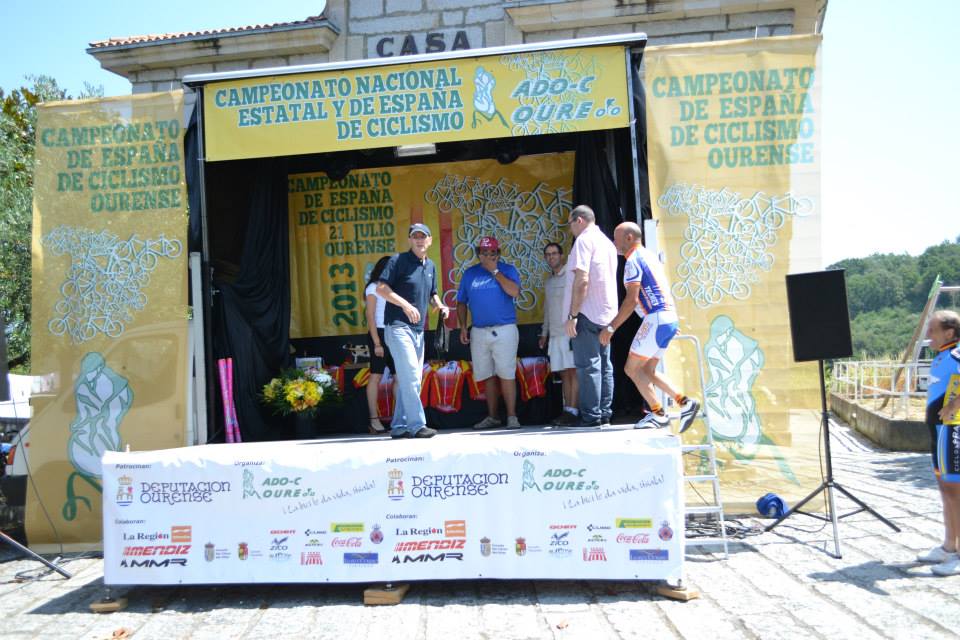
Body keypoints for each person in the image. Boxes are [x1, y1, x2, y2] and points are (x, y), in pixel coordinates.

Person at [601, 222, 700, 431]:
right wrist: (669, 320)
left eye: (616, 238)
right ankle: (685, 403)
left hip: (657, 319)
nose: (613, 242)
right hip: (667, 317)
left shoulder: (632, 261)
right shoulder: (649, 256)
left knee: (631, 369)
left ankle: (658, 414)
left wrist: (611, 328)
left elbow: (631, 301)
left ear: (629, 238)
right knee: (648, 370)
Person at [376, 223, 450, 439]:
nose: (419, 240)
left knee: (411, 379)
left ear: (430, 240)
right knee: (411, 378)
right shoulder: (397, 261)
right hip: (398, 327)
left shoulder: (431, 265)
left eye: (423, 236)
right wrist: (405, 305)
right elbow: (381, 288)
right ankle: (417, 425)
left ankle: (399, 426)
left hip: (418, 331)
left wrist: (440, 305)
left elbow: (433, 293)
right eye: (415, 236)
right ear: (409, 240)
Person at [457, 236, 523, 429]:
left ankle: (512, 417)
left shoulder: (507, 270)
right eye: (484, 252)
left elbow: (514, 292)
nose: (488, 256)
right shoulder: (470, 273)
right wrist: (463, 326)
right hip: (479, 330)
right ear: (478, 254)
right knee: (487, 375)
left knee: (506, 373)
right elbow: (461, 302)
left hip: (504, 329)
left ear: (498, 254)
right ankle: (493, 416)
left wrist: (495, 271)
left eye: (492, 252)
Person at [562, 205, 618, 428]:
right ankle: (604, 413)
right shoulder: (607, 243)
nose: (570, 230)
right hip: (607, 313)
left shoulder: (584, 241)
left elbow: (582, 280)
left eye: (570, 224)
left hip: (586, 312)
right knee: (604, 365)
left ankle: (591, 416)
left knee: (588, 366)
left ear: (579, 221)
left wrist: (573, 314)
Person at [916, 309, 960, 576]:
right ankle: (948, 546)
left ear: (949, 333)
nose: (928, 334)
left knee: (955, 492)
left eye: (932, 329)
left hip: (951, 431)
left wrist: (955, 404)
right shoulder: (942, 355)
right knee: (945, 490)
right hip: (937, 431)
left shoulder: (956, 355)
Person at [539, 242, 579, 426]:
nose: (551, 257)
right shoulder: (549, 281)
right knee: (563, 373)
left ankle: (573, 410)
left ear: (561, 255)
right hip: (555, 334)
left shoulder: (571, 276)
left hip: (569, 332)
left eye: (554, 253)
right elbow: (547, 309)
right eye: (548, 254)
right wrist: (544, 333)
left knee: (573, 372)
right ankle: (568, 410)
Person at [364, 256, 394, 434]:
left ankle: (399, 418)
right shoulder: (373, 287)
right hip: (379, 333)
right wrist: (377, 343)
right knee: (376, 376)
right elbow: (370, 315)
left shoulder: (393, 287)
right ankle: (374, 420)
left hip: (395, 332)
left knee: (399, 377)